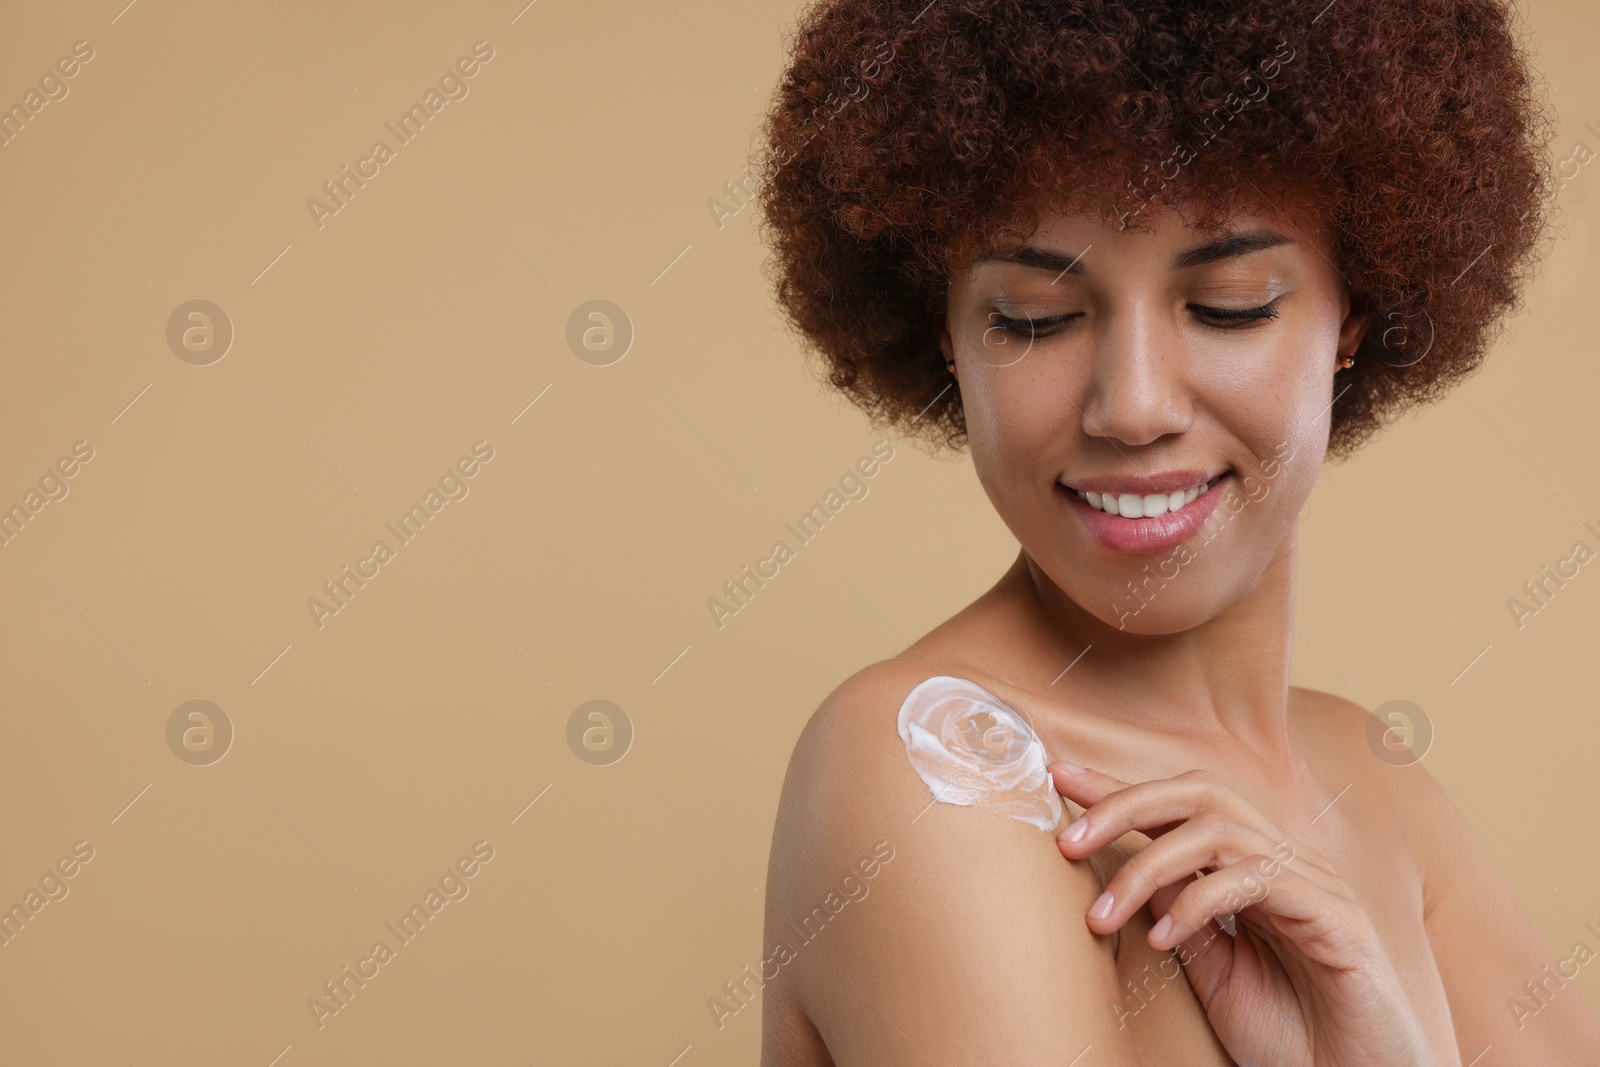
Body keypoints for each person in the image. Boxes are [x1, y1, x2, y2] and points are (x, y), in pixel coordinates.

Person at [754, 0, 1600, 1063]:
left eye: (1231, 303)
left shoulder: (1372, 778)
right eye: (1032, 317)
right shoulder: (929, 764)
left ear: (1355, 316)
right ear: (947, 335)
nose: (1134, 404)